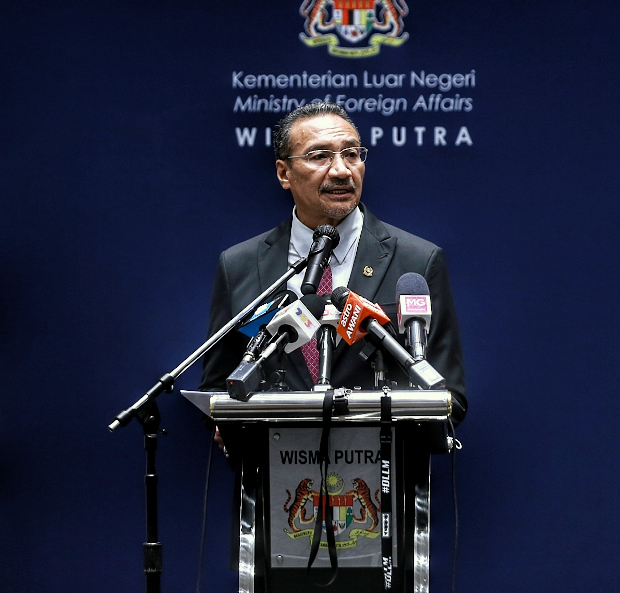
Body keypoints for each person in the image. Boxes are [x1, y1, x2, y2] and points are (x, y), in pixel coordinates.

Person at [199, 101, 467, 425]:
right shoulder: (238, 265)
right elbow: (217, 388)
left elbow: (449, 397)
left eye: (351, 154)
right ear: (284, 173)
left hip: (380, 464)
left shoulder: (419, 261)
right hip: (275, 466)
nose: (341, 170)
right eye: (320, 156)